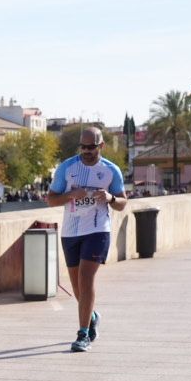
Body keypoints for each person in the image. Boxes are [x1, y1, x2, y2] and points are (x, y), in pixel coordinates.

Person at [46, 127, 127, 353]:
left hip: (97, 229)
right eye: (83, 147)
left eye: (91, 147)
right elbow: (51, 200)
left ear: (101, 146)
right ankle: (92, 315)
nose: (87, 151)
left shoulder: (111, 170)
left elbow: (123, 202)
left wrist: (110, 198)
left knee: (86, 277)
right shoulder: (67, 168)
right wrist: (71, 195)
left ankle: (83, 334)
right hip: (71, 232)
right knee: (76, 287)